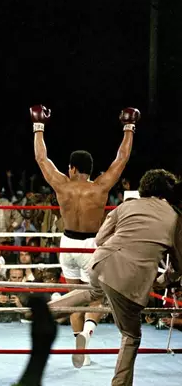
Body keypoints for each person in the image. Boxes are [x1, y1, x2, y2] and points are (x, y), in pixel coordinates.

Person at [48, 169, 182, 385]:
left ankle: (47, 312)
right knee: (131, 335)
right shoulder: (174, 217)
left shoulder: (126, 206)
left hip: (100, 263)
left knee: (94, 291)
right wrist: (162, 281)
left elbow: (100, 239)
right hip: (129, 280)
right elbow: (178, 265)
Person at [31, 105, 137, 367]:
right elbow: (121, 159)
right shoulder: (100, 186)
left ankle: (81, 343)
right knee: (96, 296)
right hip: (92, 245)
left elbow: (41, 159)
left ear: (71, 168)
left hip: (67, 244)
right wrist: (128, 128)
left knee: (75, 296)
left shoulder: (62, 185)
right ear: (89, 169)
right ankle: (87, 336)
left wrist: (38, 126)